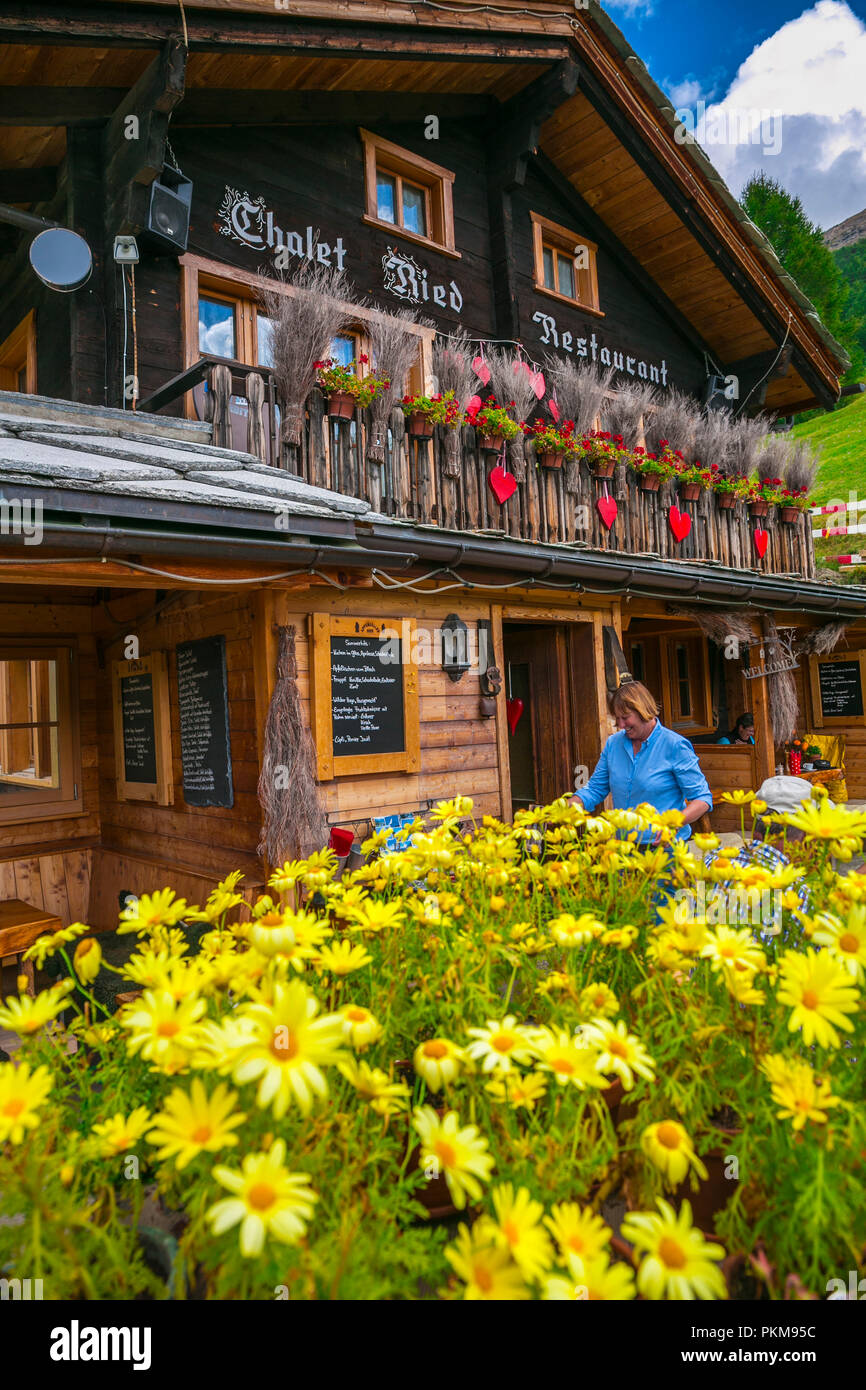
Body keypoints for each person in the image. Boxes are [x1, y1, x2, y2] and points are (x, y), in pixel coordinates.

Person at [573, 676, 712, 842]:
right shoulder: (613, 744)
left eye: (625, 717)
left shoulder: (674, 745)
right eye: (617, 718)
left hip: (665, 851)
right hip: (623, 849)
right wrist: (565, 808)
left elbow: (702, 799)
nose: (621, 725)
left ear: (643, 710)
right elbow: (595, 789)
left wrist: (673, 825)